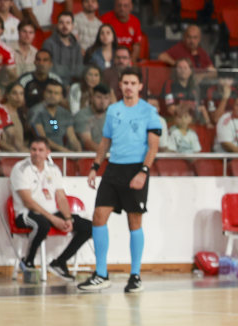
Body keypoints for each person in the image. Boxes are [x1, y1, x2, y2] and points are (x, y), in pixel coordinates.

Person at [78, 67, 161, 293]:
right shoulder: (113, 110)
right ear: (120, 85)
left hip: (136, 168)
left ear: (140, 86)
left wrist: (143, 171)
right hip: (114, 168)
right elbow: (105, 142)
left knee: (134, 222)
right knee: (98, 216)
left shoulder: (149, 112)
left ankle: (135, 276)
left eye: (133, 83)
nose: (128, 87)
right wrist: (95, 166)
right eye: (125, 83)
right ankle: (101, 273)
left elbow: (153, 146)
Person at [11, 137, 93, 282]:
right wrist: (53, 219)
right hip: (26, 213)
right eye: (33, 150)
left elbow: (61, 197)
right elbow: (28, 201)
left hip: (51, 212)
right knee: (43, 224)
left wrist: (67, 218)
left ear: (48, 152)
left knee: (88, 227)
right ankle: (28, 261)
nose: (36, 153)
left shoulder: (54, 169)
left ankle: (60, 262)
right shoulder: (20, 168)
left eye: (41, 150)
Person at [29, 79, 81, 152]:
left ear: (61, 96)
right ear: (43, 93)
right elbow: (42, 139)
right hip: (40, 153)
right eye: (49, 92)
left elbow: (72, 138)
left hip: (62, 155)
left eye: (56, 93)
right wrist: (64, 151)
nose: (52, 96)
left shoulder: (65, 113)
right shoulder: (35, 111)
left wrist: (78, 152)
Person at [41, 11, 83, 87]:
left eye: (68, 23)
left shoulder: (77, 46)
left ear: (72, 26)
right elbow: (46, 70)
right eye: (61, 23)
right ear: (57, 25)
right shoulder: (48, 44)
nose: (64, 26)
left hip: (72, 85)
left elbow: (79, 71)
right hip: (53, 85)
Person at [74, 83, 111, 152]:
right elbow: (88, 143)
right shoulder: (82, 115)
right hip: (87, 158)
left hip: (108, 156)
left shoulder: (112, 116)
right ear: (92, 98)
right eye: (99, 97)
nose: (102, 102)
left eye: (106, 98)